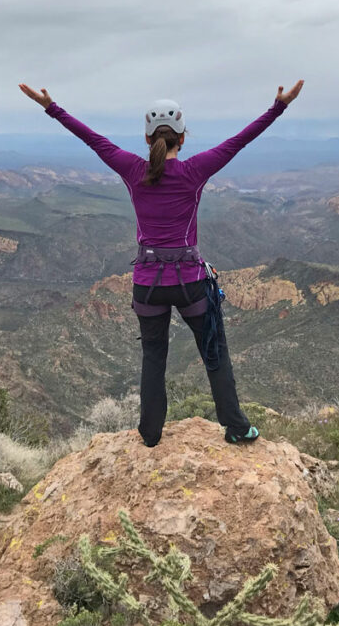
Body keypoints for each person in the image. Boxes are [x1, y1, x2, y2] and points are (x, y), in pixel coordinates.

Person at [19, 79, 304, 447]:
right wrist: (278, 106)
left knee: (154, 358)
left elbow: (91, 139)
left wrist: (51, 106)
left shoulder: (133, 170)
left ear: (147, 139)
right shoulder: (194, 171)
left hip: (147, 284)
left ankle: (151, 434)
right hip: (190, 282)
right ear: (182, 139)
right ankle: (235, 426)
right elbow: (239, 141)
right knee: (213, 353)